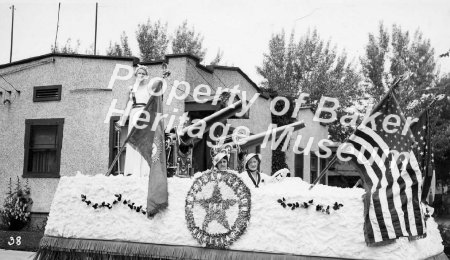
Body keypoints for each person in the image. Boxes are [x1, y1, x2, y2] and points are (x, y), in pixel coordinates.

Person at [116, 65, 152, 177]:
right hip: (134, 114)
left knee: (143, 141)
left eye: (143, 73)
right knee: (133, 141)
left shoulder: (148, 88)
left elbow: (153, 103)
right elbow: (128, 105)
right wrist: (122, 122)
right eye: (139, 73)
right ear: (136, 75)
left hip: (144, 114)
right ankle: (132, 170)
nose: (141, 75)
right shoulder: (132, 89)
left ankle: (145, 171)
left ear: (146, 76)